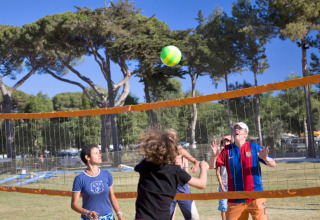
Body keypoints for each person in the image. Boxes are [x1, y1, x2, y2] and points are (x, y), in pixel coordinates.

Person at [134, 128, 209, 220]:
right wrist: (204, 168)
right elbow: (202, 184)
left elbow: (142, 162)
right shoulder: (175, 170)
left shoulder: (145, 165)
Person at [213, 122, 276, 220]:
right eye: (235, 128)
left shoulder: (254, 147)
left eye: (240, 128)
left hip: (256, 196)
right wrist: (214, 156)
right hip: (235, 198)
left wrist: (266, 158)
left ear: (246, 134)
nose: (236, 130)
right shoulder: (227, 150)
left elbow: (273, 164)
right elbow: (211, 165)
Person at [71, 144, 125, 220]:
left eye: (99, 152)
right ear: (87, 157)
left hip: (108, 217)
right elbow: (73, 204)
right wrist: (87, 212)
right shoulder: (79, 179)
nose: (100, 155)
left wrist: (119, 214)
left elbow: (112, 197)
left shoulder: (107, 174)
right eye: (96, 153)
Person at [170, 130, 200, 220]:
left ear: (174, 139)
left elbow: (195, 161)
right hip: (168, 187)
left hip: (182, 186)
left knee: (193, 217)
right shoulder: (161, 152)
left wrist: (196, 165)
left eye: (171, 137)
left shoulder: (180, 150)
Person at [208, 135, 231, 220]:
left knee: (232, 207)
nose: (226, 143)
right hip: (224, 185)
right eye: (224, 141)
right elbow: (214, 168)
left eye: (227, 141)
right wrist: (221, 184)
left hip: (233, 185)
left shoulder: (234, 152)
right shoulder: (219, 154)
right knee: (223, 207)